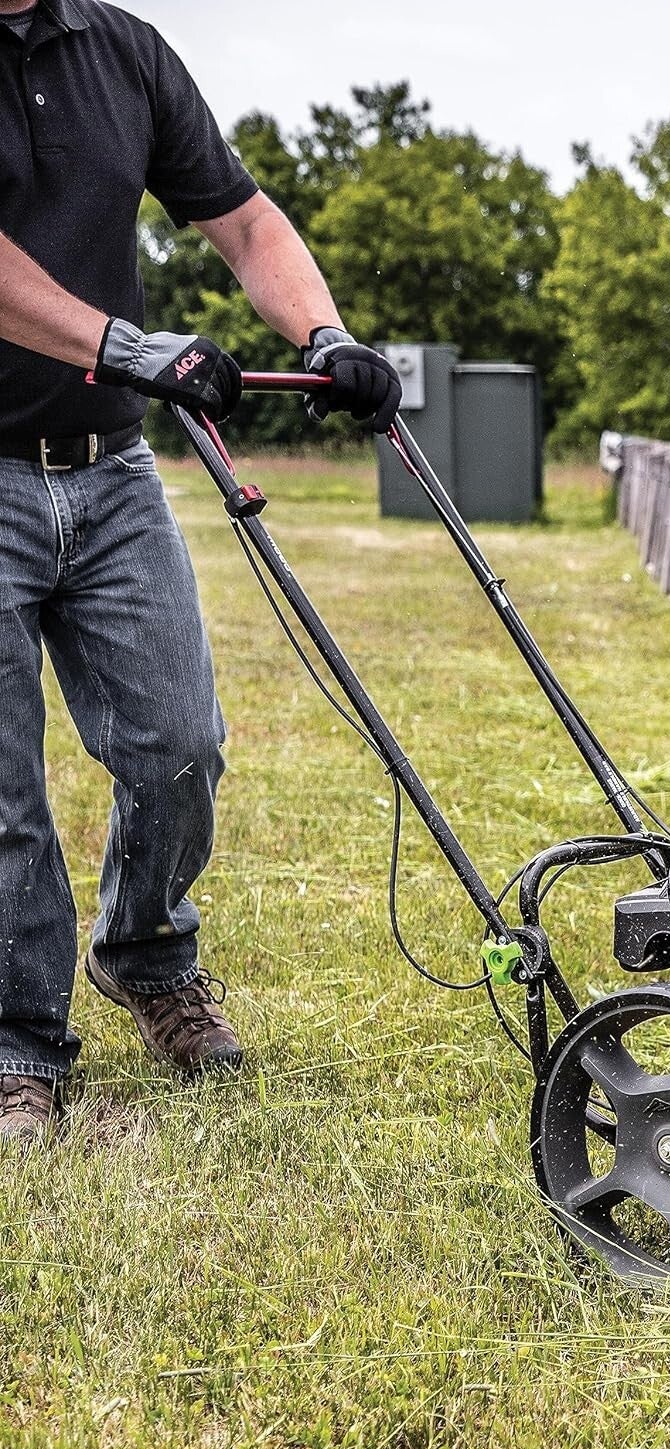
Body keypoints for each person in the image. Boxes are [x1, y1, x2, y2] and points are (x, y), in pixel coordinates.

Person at [0, 0, 402, 1142]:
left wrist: (325, 339)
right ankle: (18, 1047)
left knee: (179, 742)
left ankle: (142, 952)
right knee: (4, 794)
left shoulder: (120, 48)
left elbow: (243, 220)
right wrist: (124, 345)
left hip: (110, 469)